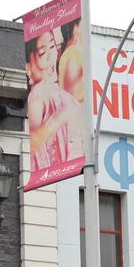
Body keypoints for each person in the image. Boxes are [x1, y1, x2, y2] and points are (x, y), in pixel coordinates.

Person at [25, 29, 87, 172]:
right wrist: (60, 118)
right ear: (28, 66)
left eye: (52, 47)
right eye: (42, 53)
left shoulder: (56, 93)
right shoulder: (38, 94)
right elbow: (32, 141)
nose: (50, 56)